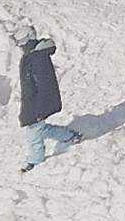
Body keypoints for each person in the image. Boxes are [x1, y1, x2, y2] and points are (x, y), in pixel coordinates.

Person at [16, 28, 79, 168]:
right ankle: (69, 135)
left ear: (29, 42)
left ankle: (35, 161)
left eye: (22, 45)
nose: (21, 49)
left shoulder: (39, 59)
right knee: (39, 129)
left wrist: (40, 106)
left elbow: (46, 84)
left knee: (34, 133)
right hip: (32, 103)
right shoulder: (30, 57)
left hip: (39, 103)